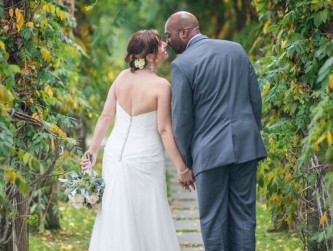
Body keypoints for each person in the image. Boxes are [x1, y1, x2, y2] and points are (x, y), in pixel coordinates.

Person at [81, 29, 195, 251]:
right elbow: (163, 130)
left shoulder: (121, 78)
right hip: (145, 156)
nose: (165, 46)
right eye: (160, 44)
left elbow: (106, 116)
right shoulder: (162, 86)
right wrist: (182, 169)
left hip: (115, 154)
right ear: (150, 56)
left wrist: (93, 150)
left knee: (117, 212)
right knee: (149, 212)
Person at [165, 11, 267, 251]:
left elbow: (182, 121)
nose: (167, 41)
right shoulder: (236, 50)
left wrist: (188, 163)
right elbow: (255, 99)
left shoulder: (181, 65)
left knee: (213, 220)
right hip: (245, 146)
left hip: (209, 153)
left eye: (169, 35)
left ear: (184, 32)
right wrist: (250, 136)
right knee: (244, 216)